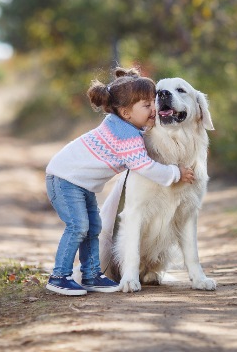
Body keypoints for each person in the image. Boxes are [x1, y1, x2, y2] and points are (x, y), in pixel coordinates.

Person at [44, 67, 196, 296]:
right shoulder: (126, 136)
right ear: (126, 113)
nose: (154, 109)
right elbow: (143, 166)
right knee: (78, 227)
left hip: (80, 183)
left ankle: (91, 274)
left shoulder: (123, 125)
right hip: (64, 179)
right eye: (147, 105)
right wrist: (175, 173)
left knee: (94, 227)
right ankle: (59, 276)